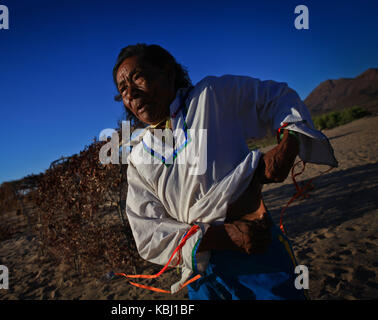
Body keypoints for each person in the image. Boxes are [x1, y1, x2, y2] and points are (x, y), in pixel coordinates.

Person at [113, 43, 337, 300]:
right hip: (201, 270)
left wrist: (289, 143)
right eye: (122, 90)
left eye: (137, 78)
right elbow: (147, 231)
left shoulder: (210, 96)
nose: (131, 94)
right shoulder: (139, 157)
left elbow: (277, 97)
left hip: (256, 252)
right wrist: (222, 237)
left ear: (167, 72)